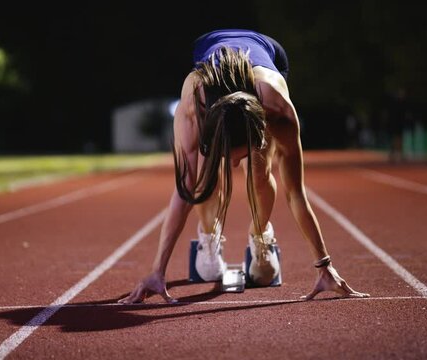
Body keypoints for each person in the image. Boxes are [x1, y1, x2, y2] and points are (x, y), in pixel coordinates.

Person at [119, 29, 369, 304]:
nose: (235, 164)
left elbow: (295, 192)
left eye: (241, 154)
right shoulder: (193, 103)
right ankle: (209, 237)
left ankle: (260, 236)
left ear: (260, 133)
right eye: (229, 155)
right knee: (203, 178)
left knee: (260, 173)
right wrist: (157, 271)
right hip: (207, 50)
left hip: (268, 54)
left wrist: (324, 266)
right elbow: (185, 189)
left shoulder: (278, 110)